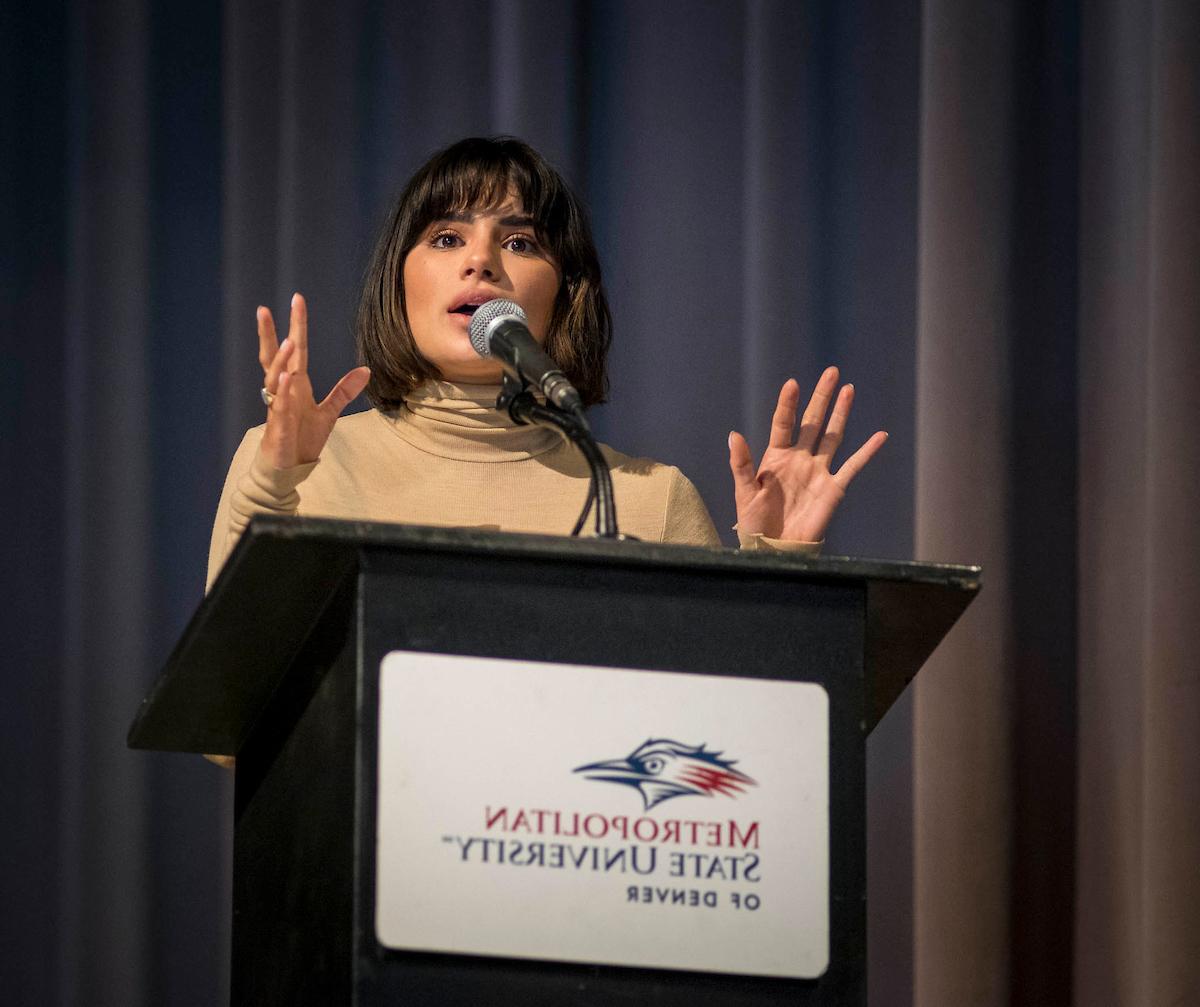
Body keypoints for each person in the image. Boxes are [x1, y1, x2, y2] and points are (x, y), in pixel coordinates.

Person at [207, 136, 887, 591]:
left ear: (565, 297)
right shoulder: (295, 468)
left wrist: (779, 566)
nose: (481, 260)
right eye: (447, 236)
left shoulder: (649, 500)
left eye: (521, 242)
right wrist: (273, 484)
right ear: (398, 280)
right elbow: (228, 727)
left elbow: (728, 745)